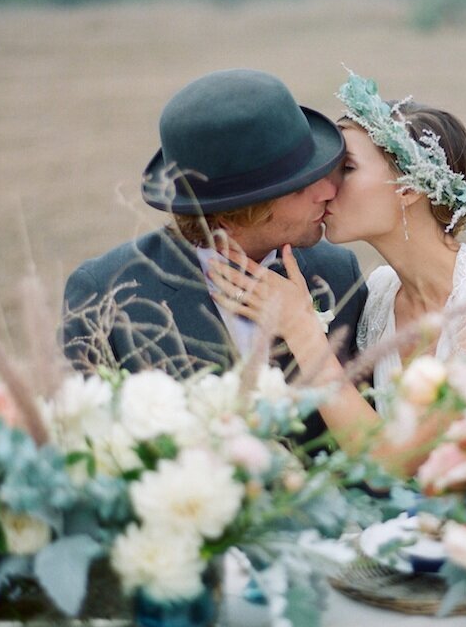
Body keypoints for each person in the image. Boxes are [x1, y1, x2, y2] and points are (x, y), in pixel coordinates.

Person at [207, 71, 466, 476]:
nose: (325, 186)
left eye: (346, 168)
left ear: (408, 188)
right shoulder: (381, 293)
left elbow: (398, 462)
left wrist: (301, 327)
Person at [61, 68, 366, 444]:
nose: (328, 190)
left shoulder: (338, 274)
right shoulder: (107, 290)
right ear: (233, 211)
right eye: (298, 187)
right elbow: (87, 449)